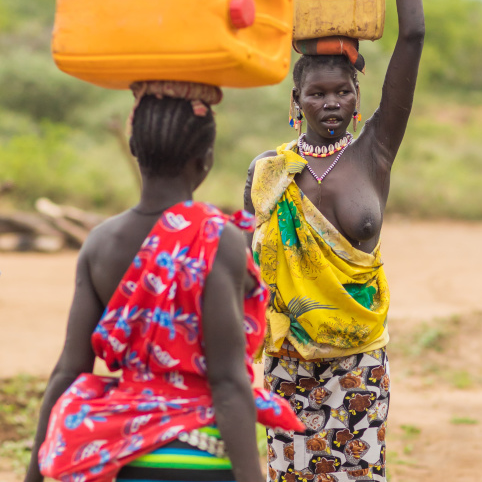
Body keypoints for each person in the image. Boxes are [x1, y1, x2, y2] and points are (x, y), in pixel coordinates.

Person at [244, 0, 424, 482]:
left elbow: (414, 36)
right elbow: (249, 275)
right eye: (317, 93)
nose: (330, 104)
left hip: (358, 366)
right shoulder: (269, 174)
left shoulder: (375, 151)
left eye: (341, 93)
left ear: (357, 96)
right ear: (296, 99)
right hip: (287, 364)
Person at [26, 81, 302, 482]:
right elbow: (227, 382)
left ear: (134, 150)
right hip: (198, 458)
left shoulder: (100, 243)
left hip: (120, 454)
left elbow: (69, 372)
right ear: (204, 159)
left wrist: (32, 475)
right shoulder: (216, 237)